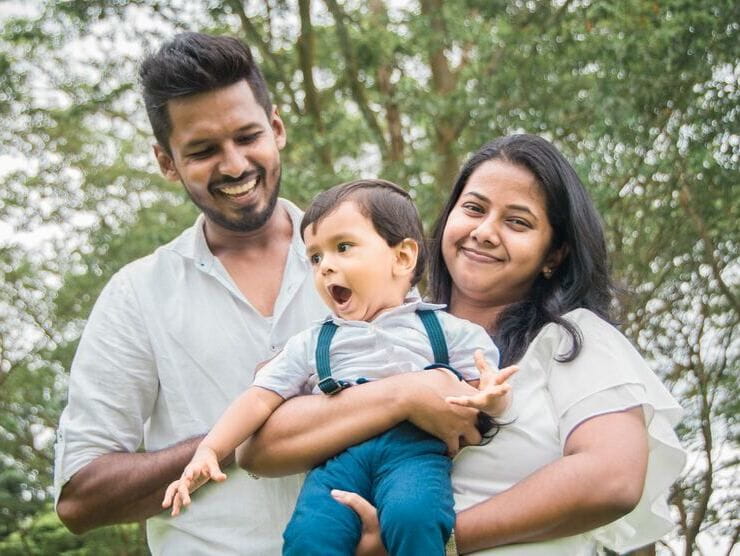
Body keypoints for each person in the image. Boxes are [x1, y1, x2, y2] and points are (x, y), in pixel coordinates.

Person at [239, 134, 686, 555]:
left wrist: (435, 538)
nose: (485, 231)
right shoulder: (383, 330)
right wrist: (405, 395)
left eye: (517, 222)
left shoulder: (572, 339)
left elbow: (611, 479)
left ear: (554, 254)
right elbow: (257, 449)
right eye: (473, 208)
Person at [53, 32, 334, 554]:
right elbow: (80, 499)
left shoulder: (375, 259)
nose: (232, 165)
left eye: (247, 137)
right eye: (203, 150)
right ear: (167, 162)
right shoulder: (136, 296)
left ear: (276, 130)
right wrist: (237, 435)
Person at [162, 178, 517, 555]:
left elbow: (482, 394)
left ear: (402, 257)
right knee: (308, 535)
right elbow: (258, 399)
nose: (325, 267)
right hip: (337, 461)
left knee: (414, 516)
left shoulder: (445, 329)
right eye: (315, 257)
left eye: (343, 248)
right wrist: (210, 449)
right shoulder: (314, 342)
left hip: (412, 457)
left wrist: (492, 399)